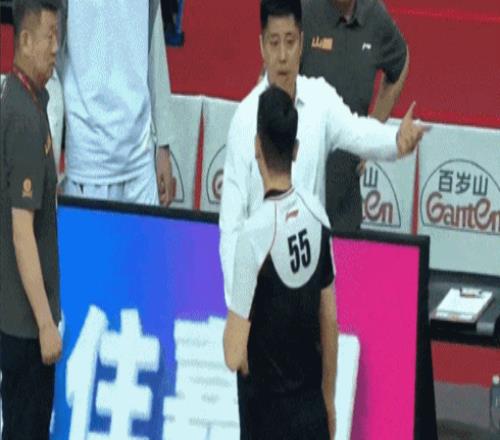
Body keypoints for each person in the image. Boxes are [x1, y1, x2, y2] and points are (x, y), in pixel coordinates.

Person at [223, 85, 338, 439]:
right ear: (296, 149)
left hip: (268, 421)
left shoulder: (253, 236)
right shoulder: (318, 218)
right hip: (311, 415)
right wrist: (328, 402)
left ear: (256, 147)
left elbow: (233, 353)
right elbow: (330, 321)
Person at [0, 1, 63, 438]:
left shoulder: (25, 99)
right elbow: (22, 232)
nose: (56, 47)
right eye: (49, 36)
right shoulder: (23, 118)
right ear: (24, 40)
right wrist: (44, 323)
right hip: (25, 327)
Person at [301, 0, 409, 231]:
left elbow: (401, 61)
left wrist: (372, 131)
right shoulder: (303, 11)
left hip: (344, 204)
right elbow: (270, 81)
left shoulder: (374, 16)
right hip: (295, 198)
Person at [58, 0, 176, 206]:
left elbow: (153, 37)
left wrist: (164, 146)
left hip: (140, 160)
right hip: (88, 158)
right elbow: (51, 45)